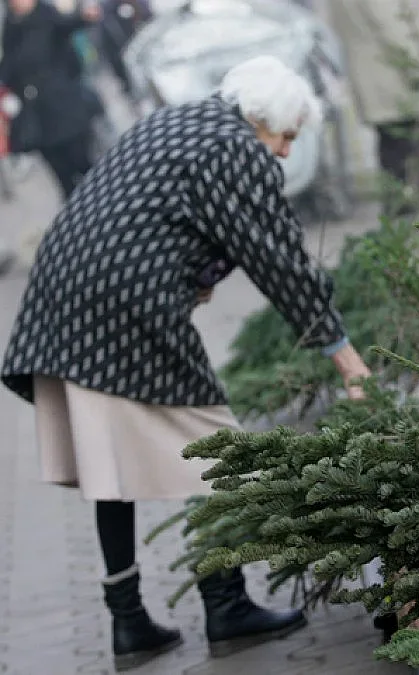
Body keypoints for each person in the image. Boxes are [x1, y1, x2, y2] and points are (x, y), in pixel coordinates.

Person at [0, 54, 372, 671]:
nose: (283, 153)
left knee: (105, 462)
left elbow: (163, 214)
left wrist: (194, 274)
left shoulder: (181, 121)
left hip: (61, 294)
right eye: (286, 137)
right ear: (263, 122)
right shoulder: (237, 150)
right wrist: (347, 358)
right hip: (123, 307)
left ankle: (128, 622)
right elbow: (279, 259)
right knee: (212, 446)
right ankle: (224, 602)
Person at [327, 0, 419, 216]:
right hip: (390, 72)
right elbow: (392, 27)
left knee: (389, 141)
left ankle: (397, 200)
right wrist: (416, 65)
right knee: (413, 136)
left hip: (364, 71)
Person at [0, 0, 105, 199]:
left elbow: (69, 24)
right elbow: (8, 68)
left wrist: (85, 16)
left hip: (66, 110)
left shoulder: (46, 16)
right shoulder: (11, 28)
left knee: (87, 167)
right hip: (40, 121)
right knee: (65, 182)